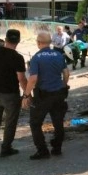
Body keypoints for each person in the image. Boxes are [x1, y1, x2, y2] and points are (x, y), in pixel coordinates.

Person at [23, 31, 70, 160]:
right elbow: (66, 73)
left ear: (38, 43)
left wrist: (26, 95)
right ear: (50, 43)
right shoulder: (59, 55)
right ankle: (57, 147)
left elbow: (33, 78)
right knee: (58, 122)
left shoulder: (36, 58)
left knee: (35, 123)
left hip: (43, 96)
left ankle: (42, 150)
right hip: (58, 93)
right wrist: (64, 86)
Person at [0, 29, 27, 158]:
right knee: (10, 122)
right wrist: (27, 94)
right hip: (11, 94)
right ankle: (6, 148)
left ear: (6, 39)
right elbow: (21, 78)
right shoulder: (18, 57)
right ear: (18, 41)